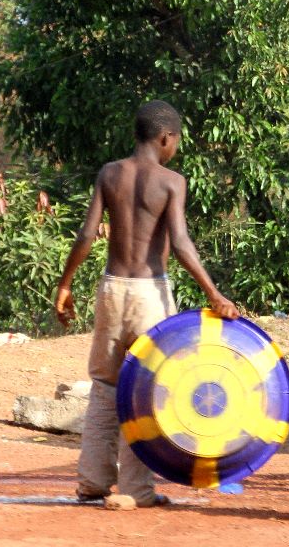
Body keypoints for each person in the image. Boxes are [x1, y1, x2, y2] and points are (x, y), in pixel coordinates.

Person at [55, 100, 239, 507]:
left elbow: (86, 236)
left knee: (104, 384)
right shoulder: (172, 181)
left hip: (110, 289)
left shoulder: (109, 173)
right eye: (176, 141)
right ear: (164, 138)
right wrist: (214, 293)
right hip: (149, 293)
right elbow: (182, 242)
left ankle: (92, 481)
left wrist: (65, 285)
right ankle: (137, 489)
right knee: (145, 389)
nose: (175, 148)